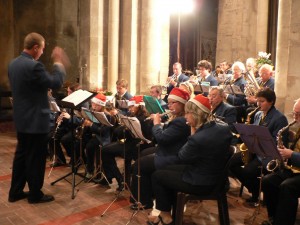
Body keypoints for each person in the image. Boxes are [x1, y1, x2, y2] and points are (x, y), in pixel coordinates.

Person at [148, 94, 233, 225]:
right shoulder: (223, 127)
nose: (185, 116)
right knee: (166, 169)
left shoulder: (198, 138)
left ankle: (165, 216)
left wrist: (193, 130)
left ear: (196, 114)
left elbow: (182, 156)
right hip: (218, 177)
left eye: (187, 113)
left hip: (202, 183)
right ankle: (169, 211)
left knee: (157, 176)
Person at [8, 32, 70, 204]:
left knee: (21, 156)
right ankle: (35, 194)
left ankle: (15, 191)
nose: (42, 52)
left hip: (22, 120)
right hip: (35, 121)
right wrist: (58, 62)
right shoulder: (34, 66)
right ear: (35, 47)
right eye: (42, 49)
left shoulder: (13, 64)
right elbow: (55, 82)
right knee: (35, 158)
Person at [130, 87, 191, 210]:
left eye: (173, 103)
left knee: (138, 165)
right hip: (171, 149)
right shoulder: (178, 117)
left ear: (182, 104)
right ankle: (149, 193)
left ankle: (143, 201)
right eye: (168, 103)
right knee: (144, 154)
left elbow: (162, 139)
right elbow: (169, 134)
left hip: (173, 155)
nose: (170, 106)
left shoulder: (181, 121)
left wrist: (157, 124)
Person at [229, 88, 288, 206]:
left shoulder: (279, 118)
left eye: (262, 101)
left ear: (271, 102)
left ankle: (256, 192)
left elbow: (279, 142)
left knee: (247, 171)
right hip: (255, 151)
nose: (258, 104)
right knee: (229, 162)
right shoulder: (258, 114)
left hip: (268, 155)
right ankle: (255, 188)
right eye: (258, 100)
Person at [100, 95, 154, 191]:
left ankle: (118, 178)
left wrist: (124, 128)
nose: (129, 109)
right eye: (129, 107)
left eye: (131, 107)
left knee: (105, 151)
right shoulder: (135, 116)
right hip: (131, 143)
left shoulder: (142, 119)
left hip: (137, 146)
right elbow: (118, 133)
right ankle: (116, 178)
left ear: (139, 106)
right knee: (105, 149)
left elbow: (120, 133)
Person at [261, 98, 300, 225]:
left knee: (287, 186)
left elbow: (295, 154)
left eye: (298, 114)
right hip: (295, 168)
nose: (295, 117)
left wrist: (291, 155)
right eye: (294, 113)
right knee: (268, 180)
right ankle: (274, 217)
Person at [83, 93, 115, 180]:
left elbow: (103, 131)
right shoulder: (92, 112)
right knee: (80, 141)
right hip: (94, 135)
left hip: (102, 138)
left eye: (95, 104)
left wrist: (91, 124)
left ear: (101, 105)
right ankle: (87, 165)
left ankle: (90, 170)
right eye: (92, 104)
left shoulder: (107, 116)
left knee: (89, 147)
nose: (93, 106)